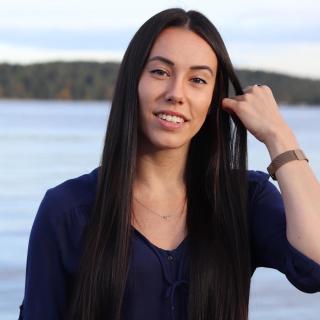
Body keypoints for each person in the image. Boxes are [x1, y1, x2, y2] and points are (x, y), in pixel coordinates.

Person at [18, 8, 320, 320]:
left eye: (198, 80)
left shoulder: (243, 199)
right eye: (160, 72)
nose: (176, 94)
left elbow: (315, 265)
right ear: (132, 82)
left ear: (214, 99)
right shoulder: (67, 211)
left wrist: (279, 135)